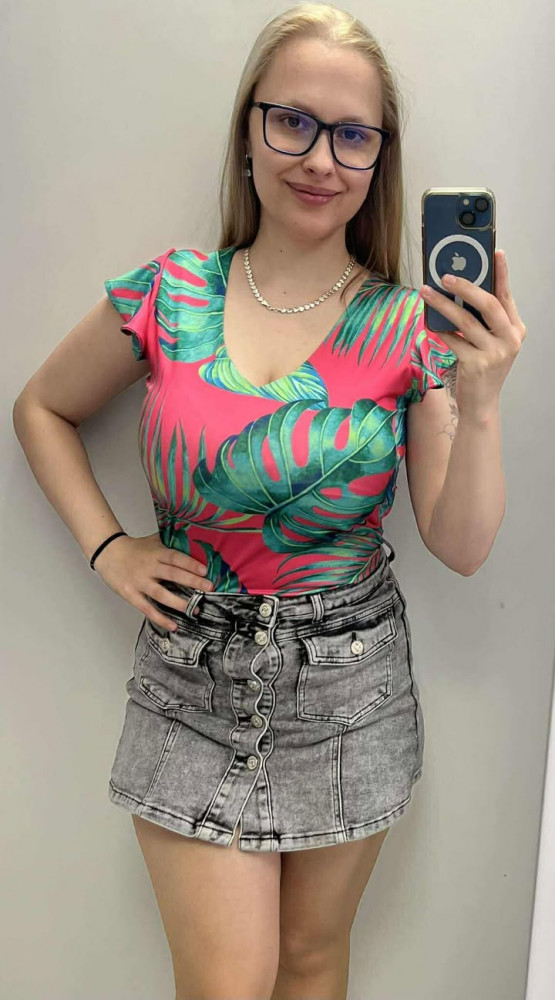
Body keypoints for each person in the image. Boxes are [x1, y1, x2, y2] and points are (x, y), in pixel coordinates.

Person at [12, 4, 525, 999]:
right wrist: (108, 547)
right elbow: (42, 407)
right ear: (248, 130)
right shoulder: (171, 292)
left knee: (311, 962)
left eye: (353, 135)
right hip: (191, 676)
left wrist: (483, 397)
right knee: (228, 984)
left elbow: (461, 544)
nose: (320, 158)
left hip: (350, 683)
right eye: (292, 121)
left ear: (379, 160)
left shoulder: (406, 326)